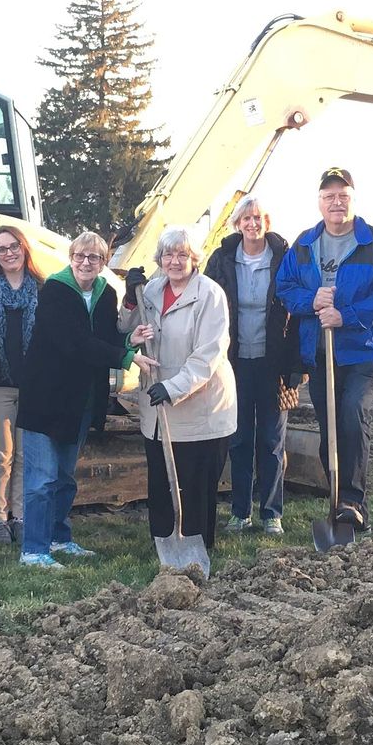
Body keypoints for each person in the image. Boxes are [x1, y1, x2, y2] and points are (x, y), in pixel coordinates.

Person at [16, 232, 157, 569]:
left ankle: (59, 538)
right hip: (45, 397)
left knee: (65, 477)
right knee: (42, 479)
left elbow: (104, 337)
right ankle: (33, 550)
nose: (86, 262)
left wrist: (128, 342)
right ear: (71, 256)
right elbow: (74, 343)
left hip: (79, 399)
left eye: (94, 257)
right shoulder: (54, 290)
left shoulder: (106, 292)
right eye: (80, 255)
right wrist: (125, 359)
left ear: (103, 262)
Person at [275, 167, 373, 530]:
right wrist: (312, 299)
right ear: (319, 202)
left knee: (352, 414)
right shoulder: (304, 244)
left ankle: (353, 499)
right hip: (320, 352)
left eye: (342, 195)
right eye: (329, 196)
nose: (336, 202)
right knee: (329, 425)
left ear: (352, 200)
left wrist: (344, 316)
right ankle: (337, 499)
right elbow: (285, 288)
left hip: (362, 350)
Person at [121, 225, 237, 553]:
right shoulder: (151, 291)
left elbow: (208, 355)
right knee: (161, 480)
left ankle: (198, 543)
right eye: (168, 254)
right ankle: (164, 541)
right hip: (158, 410)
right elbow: (124, 330)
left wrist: (172, 388)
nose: (175, 261)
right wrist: (131, 299)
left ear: (193, 258)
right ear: (159, 259)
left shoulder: (209, 294)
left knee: (195, 483)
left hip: (201, 408)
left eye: (182, 254)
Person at [204, 195, 299, 536]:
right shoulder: (222, 260)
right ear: (238, 223)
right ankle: (240, 512)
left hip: (273, 364)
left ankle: (271, 513)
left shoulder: (285, 258)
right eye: (246, 218)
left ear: (267, 222)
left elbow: (298, 312)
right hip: (233, 363)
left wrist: (294, 367)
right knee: (239, 438)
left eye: (258, 217)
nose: (252, 223)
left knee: (272, 440)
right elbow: (205, 301)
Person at [0, 226, 44, 544]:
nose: (9, 253)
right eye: (2, 249)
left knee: (26, 455)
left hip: (32, 386)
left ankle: (21, 516)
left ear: (24, 248)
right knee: (0, 455)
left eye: (14, 246)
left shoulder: (43, 289)